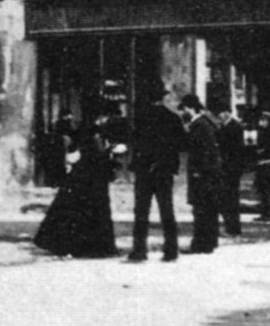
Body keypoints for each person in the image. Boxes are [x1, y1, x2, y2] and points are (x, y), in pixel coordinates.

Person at [34, 102, 117, 258]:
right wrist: (110, 152)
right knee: (92, 211)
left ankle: (65, 244)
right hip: (93, 178)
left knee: (72, 209)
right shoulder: (97, 133)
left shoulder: (84, 130)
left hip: (80, 176)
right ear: (101, 117)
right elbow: (97, 154)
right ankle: (90, 247)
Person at [127, 82, 186, 262]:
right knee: (167, 210)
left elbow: (135, 142)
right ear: (163, 97)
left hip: (145, 170)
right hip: (164, 171)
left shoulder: (141, 118)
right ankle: (171, 250)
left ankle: (139, 250)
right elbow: (182, 145)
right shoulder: (173, 118)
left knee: (141, 212)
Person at [178, 94, 222, 254]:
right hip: (208, 174)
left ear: (190, 108)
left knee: (201, 210)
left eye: (184, 109)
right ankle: (210, 241)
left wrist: (198, 172)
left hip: (202, 175)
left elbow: (203, 151)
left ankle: (201, 244)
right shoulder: (205, 123)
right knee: (208, 209)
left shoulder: (200, 125)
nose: (183, 113)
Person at [215, 103, 245, 236]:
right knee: (227, 199)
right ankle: (231, 227)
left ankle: (233, 229)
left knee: (231, 199)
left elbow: (236, 150)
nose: (219, 116)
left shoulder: (235, 127)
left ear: (227, 112)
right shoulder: (225, 126)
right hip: (227, 168)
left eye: (221, 113)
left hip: (232, 169)